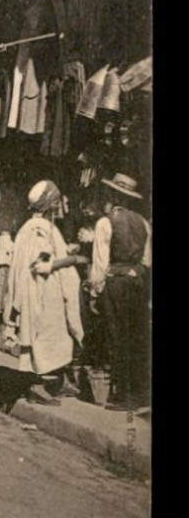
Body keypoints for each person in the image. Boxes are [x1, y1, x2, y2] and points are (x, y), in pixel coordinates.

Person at [4, 179, 84, 405]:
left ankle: (57, 381)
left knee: (53, 337)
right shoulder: (40, 231)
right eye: (57, 202)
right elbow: (41, 264)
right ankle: (36, 386)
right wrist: (72, 259)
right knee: (43, 337)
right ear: (49, 205)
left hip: (40, 290)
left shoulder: (29, 227)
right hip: (40, 292)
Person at [87, 172, 151, 411]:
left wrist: (95, 292)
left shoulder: (106, 223)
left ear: (113, 196)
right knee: (135, 335)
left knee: (116, 336)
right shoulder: (144, 223)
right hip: (137, 283)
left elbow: (100, 264)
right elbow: (146, 260)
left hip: (115, 283)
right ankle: (138, 393)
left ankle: (120, 394)